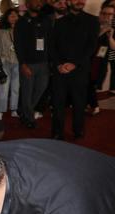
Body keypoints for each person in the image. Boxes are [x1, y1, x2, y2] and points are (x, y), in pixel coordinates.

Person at [49, 0, 99, 140]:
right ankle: (57, 132)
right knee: (58, 103)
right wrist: (58, 65)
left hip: (80, 70)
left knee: (79, 103)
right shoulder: (58, 22)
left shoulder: (92, 21)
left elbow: (91, 47)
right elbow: (52, 46)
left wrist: (74, 64)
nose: (80, 1)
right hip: (60, 70)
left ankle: (78, 130)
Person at [14, 0, 51, 129]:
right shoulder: (21, 22)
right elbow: (18, 44)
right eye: (35, 1)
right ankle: (28, 118)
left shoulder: (46, 20)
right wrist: (23, 64)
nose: (38, 3)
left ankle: (24, 110)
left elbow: (50, 40)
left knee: (41, 89)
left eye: (40, 1)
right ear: (28, 4)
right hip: (28, 64)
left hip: (44, 63)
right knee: (27, 92)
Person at [88, 4, 115, 115]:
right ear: (100, 13)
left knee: (93, 83)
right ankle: (94, 106)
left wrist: (110, 36)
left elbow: (113, 47)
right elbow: (88, 41)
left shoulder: (112, 28)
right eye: (104, 13)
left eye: (110, 14)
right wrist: (103, 30)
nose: (107, 16)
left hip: (101, 60)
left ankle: (92, 105)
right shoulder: (92, 24)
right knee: (87, 83)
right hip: (88, 58)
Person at [0, 9, 19, 120]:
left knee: (16, 87)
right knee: (4, 87)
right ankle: (0, 110)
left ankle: (14, 109)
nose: (14, 18)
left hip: (17, 61)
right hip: (4, 61)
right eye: (11, 16)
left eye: (16, 15)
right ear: (7, 17)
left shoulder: (21, 30)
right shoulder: (0, 31)